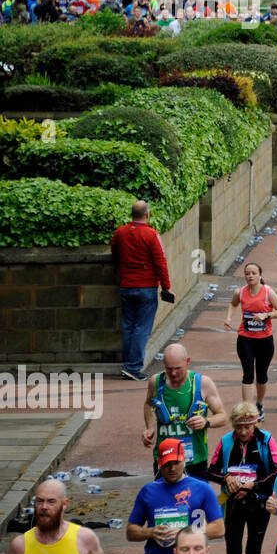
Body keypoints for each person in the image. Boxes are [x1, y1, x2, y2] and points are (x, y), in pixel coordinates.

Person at [206, 401, 277, 554]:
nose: (242, 432)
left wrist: (253, 485)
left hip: (259, 503)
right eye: (238, 427)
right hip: (232, 504)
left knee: (253, 551)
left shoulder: (266, 440)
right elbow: (211, 472)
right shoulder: (226, 441)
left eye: (247, 427)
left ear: (255, 423)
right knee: (233, 551)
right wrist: (226, 478)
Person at [127, 438, 225, 554]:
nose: (172, 468)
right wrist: (150, 532)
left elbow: (219, 529)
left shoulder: (203, 489)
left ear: (184, 460)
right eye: (167, 464)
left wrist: (185, 533)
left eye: (176, 463)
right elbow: (130, 532)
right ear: (159, 463)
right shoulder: (147, 492)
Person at [142, 343, 228, 478]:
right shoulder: (156, 382)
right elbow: (148, 404)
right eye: (169, 369)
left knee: (195, 498)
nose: (173, 373)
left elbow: (223, 417)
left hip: (194, 459)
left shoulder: (203, 384)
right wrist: (149, 427)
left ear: (188, 362)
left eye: (178, 368)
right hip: (165, 459)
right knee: (164, 498)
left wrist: (206, 422)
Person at [112, 200, 174, 381]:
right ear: (147, 215)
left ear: (132, 214)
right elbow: (160, 262)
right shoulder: (151, 235)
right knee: (142, 328)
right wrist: (166, 287)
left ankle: (128, 364)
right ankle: (133, 367)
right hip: (146, 287)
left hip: (126, 285)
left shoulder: (121, 232)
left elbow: (115, 251)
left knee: (128, 325)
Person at [223, 262, 277, 418]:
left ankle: (259, 404)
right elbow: (233, 304)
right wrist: (229, 318)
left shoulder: (268, 292)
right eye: (247, 273)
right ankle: (247, 410)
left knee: (262, 374)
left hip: (265, 340)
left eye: (253, 273)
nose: (250, 276)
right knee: (248, 373)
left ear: (260, 275)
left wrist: (267, 315)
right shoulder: (240, 292)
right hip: (246, 338)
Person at [7, 479, 105, 554]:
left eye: (51, 502)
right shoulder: (19, 546)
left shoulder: (85, 539)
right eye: (40, 501)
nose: (44, 507)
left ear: (65, 504)